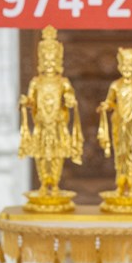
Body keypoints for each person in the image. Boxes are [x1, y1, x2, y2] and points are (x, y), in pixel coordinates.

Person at [18, 25, 83, 198]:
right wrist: (26, 102)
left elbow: (69, 97)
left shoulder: (63, 82)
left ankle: (53, 183)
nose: (49, 63)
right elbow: (32, 100)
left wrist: (70, 101)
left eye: (52, 59)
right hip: (41, 126)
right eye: (45, 59)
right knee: (41, 156)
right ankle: (43, 182)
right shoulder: (36, 82)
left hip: (56, 124)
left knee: (56, 156)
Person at [97, 47, 132, 196]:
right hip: (118, 122)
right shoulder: (115, 85)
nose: (127, 69)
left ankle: (131, 183)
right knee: (120, 153)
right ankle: (120, 184)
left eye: (130, 66)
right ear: (119, 67)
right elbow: (110, 101)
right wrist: (106, 106)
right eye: (124, 66)